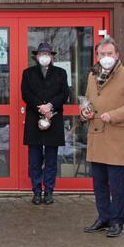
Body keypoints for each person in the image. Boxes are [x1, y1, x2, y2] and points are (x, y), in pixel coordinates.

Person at [82, 37, 124, 238]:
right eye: (102, 54)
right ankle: (104, 217)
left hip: (117, 138)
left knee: (117, 185)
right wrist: (84, 112)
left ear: (117, 55)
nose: (106, 57)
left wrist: (114, 115)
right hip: (97, 136)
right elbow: (88, 101)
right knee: (99, 183)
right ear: (97, 56)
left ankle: (117, 221)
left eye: (110, 54)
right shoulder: (93, 76)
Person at [21, 43, 70, 205]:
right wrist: (41, 107)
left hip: (53, 118)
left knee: (51, 159)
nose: (44, 56)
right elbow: (26, 94)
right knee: (34, 160)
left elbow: (64, 94)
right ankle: (36, 191)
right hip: (34, 119)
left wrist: (50, 106)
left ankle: (49, 191)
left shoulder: (61, 73)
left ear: (52, 56)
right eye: (41, 53)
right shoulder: (28, 73)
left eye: (47, 53)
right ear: (36, 56)